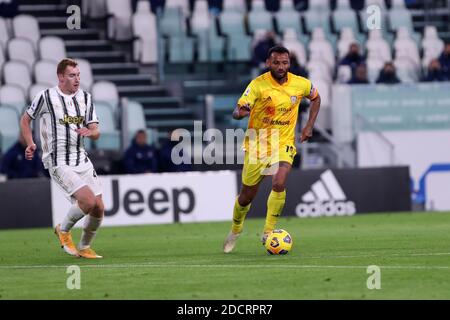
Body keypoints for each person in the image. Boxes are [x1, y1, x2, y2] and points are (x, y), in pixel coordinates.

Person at [223, 45, 321, 253]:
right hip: (257, 146)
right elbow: (238, 110)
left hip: (283, 143)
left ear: (289, 63)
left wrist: (309, 125)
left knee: (279, 182)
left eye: (284, 62)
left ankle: (268, 232)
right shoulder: (258, 85)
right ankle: (235, 229)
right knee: (246, 196)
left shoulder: (300, 84)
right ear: (268, 63)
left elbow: (316, 97)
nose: (280, 66)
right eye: (276, 62)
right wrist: (240, 113)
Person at [20, 58, 104, 259]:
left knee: (99, 207)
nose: (77, 79)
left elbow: (96, 131)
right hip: (58, 160)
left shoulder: (85, 97)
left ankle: (84, 247)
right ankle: (63, 230)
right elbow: (25, 120)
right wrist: (30, 143)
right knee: (88, 201)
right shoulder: (46, 97)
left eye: (78, 75)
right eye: (72, 75)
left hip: (81, 159)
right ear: (60, 77)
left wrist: (90, 133)